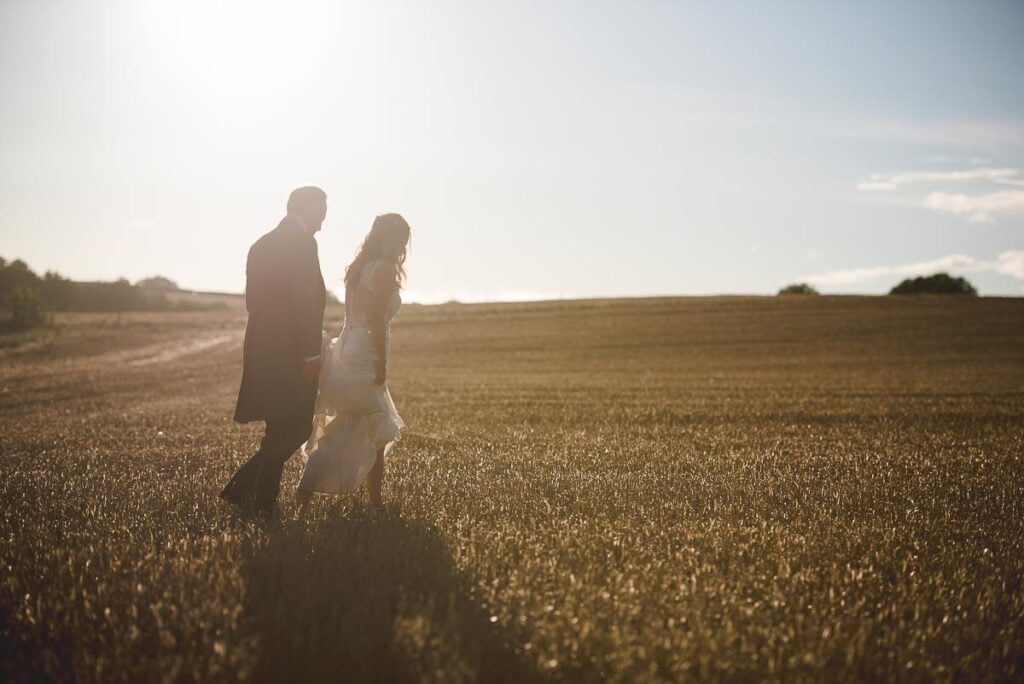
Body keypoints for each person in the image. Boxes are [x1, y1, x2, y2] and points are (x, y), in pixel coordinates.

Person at [220, 186, 327, 519]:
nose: (324, 218)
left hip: (263, 347)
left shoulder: (261, 244)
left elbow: (253, 302)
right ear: (307, 207)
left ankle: (262, 499)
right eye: (322, 209)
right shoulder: (302, 243)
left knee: (279, 426)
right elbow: (304, 302)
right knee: (296, 426)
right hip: (292, 350)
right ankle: (242, 488)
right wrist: (310, 353)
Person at [296, 213, 410, 511]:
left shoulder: (358, 269)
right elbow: (377, 321)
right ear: (395, 238)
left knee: (347, 423)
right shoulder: (384, 270)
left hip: (347, 346)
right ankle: (374, 502)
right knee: (377, 428)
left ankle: (307, 491)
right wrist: (383, 364)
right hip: (366, 351)